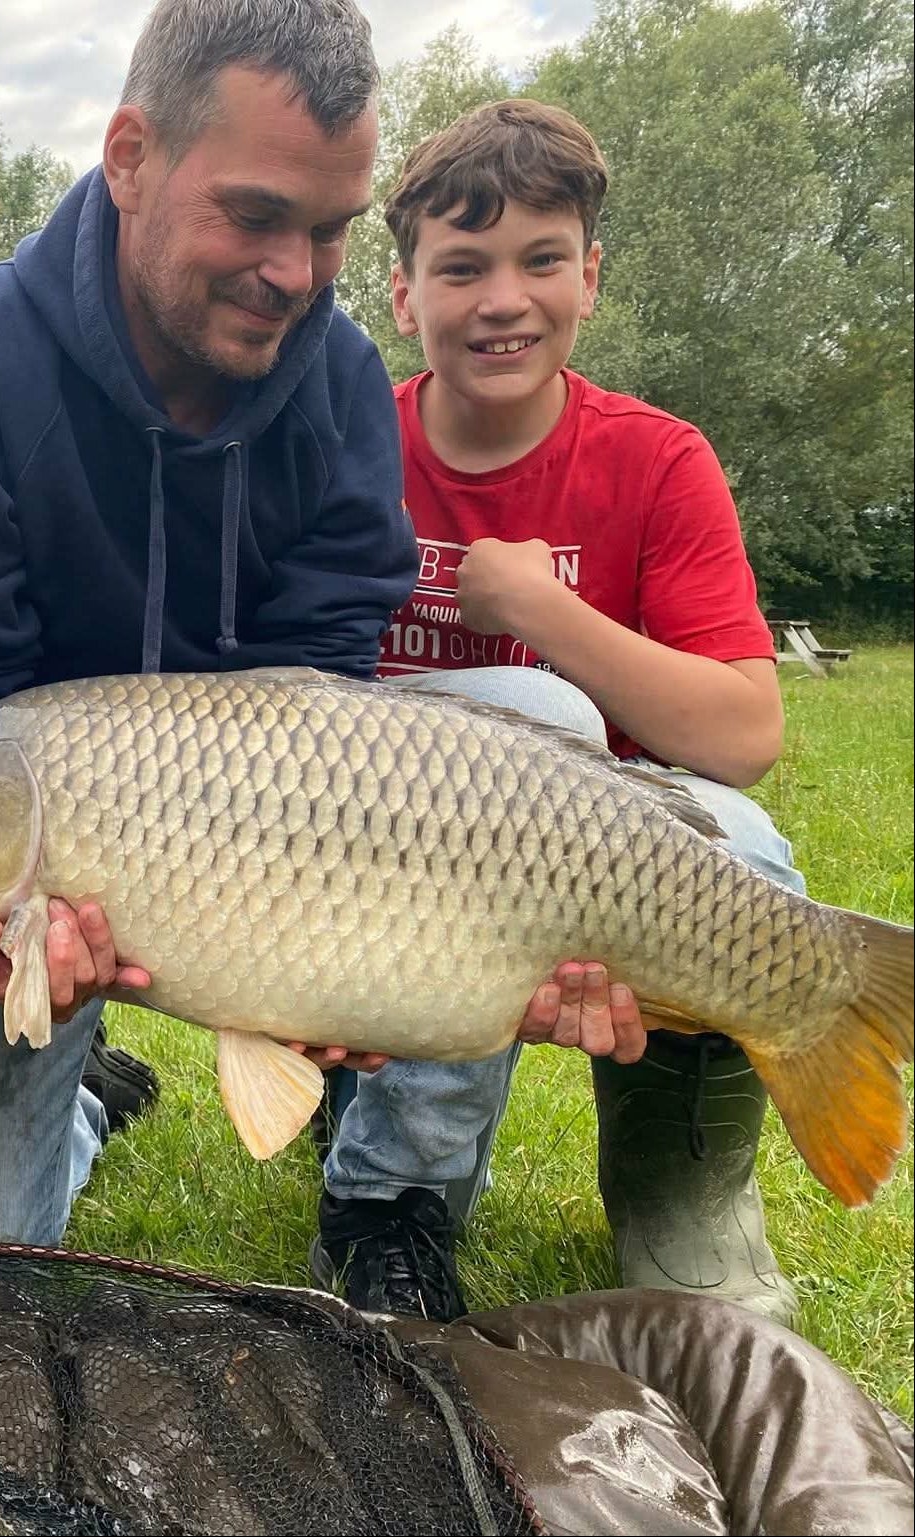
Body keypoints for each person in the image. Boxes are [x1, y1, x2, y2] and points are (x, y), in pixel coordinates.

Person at [0, 0, 419, 1246]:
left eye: (330, 228)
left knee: (533, 721)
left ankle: (393, 1203)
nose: (296, 273)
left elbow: (326, 693)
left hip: (271, 825)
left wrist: (318, 952)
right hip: (53, 836)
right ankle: (77, 1106)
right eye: (256, 214)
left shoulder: (344, 382)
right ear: (130, 158)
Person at [308, 98, 802, 1327]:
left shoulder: (659, 459)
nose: (503, 300)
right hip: (382, 867)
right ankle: (390, 1200)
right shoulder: (340, 445)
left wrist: (545, 610)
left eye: (541, 260)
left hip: (615, 863)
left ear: (591, 275)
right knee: (492, 781)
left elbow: (743, 736)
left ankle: (679, 1192)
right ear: (404, 294)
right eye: (461, 267)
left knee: (756, 864)